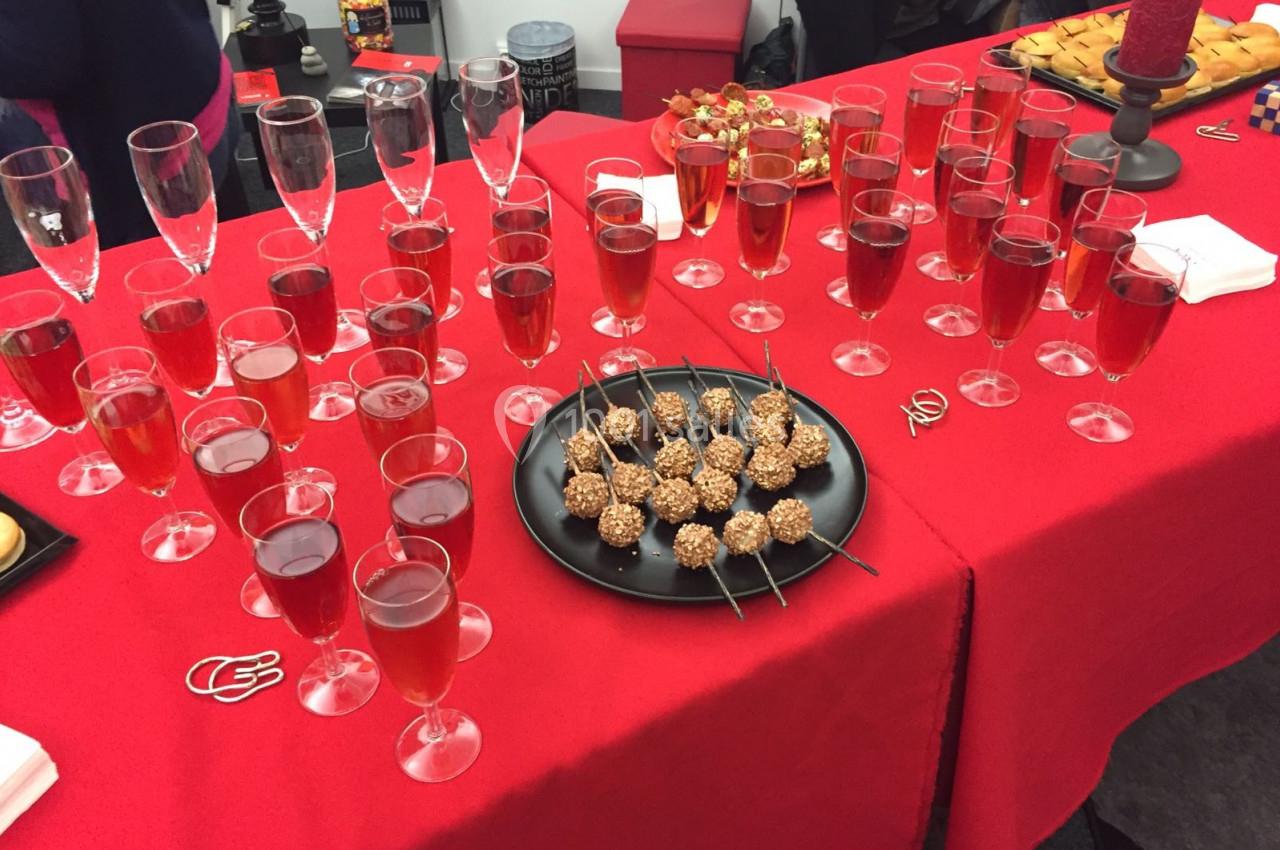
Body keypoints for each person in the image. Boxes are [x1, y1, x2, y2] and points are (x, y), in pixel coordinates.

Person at [0, 0, 243, 250]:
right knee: (224, 251)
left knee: (148, 270)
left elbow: (39, 63)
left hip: (129, 138)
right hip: (186, 69)